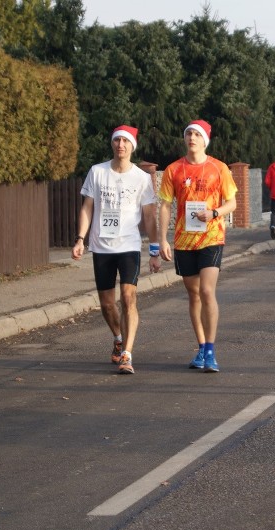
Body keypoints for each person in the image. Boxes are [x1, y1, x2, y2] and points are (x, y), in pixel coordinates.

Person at [72, 125, 161, 375]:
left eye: (125, 141)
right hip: (101, 247)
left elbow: (149, 217)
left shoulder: (141, 179)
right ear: (112, 144)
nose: (120, 145)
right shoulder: (97, 172)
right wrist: (81, 238)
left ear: (133, 146)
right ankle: (118, 337)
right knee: (107, 304)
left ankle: (127, 354)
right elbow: (87, 207)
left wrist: (154, 251)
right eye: (117, 140)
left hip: (129, 245)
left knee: (129, 297)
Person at [158, 120, 238, 373]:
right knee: (193, 294)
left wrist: (214, 213)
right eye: (188, 134)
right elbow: (164, 205)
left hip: (212, 237)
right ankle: (201, 347)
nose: (192, 138)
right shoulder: (174, 170)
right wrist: (161, 239)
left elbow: (232, 203)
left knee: (206, 291)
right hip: (184, 240)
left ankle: (211, 350)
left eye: (197, 134)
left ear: (205, 140)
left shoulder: (219, 168)